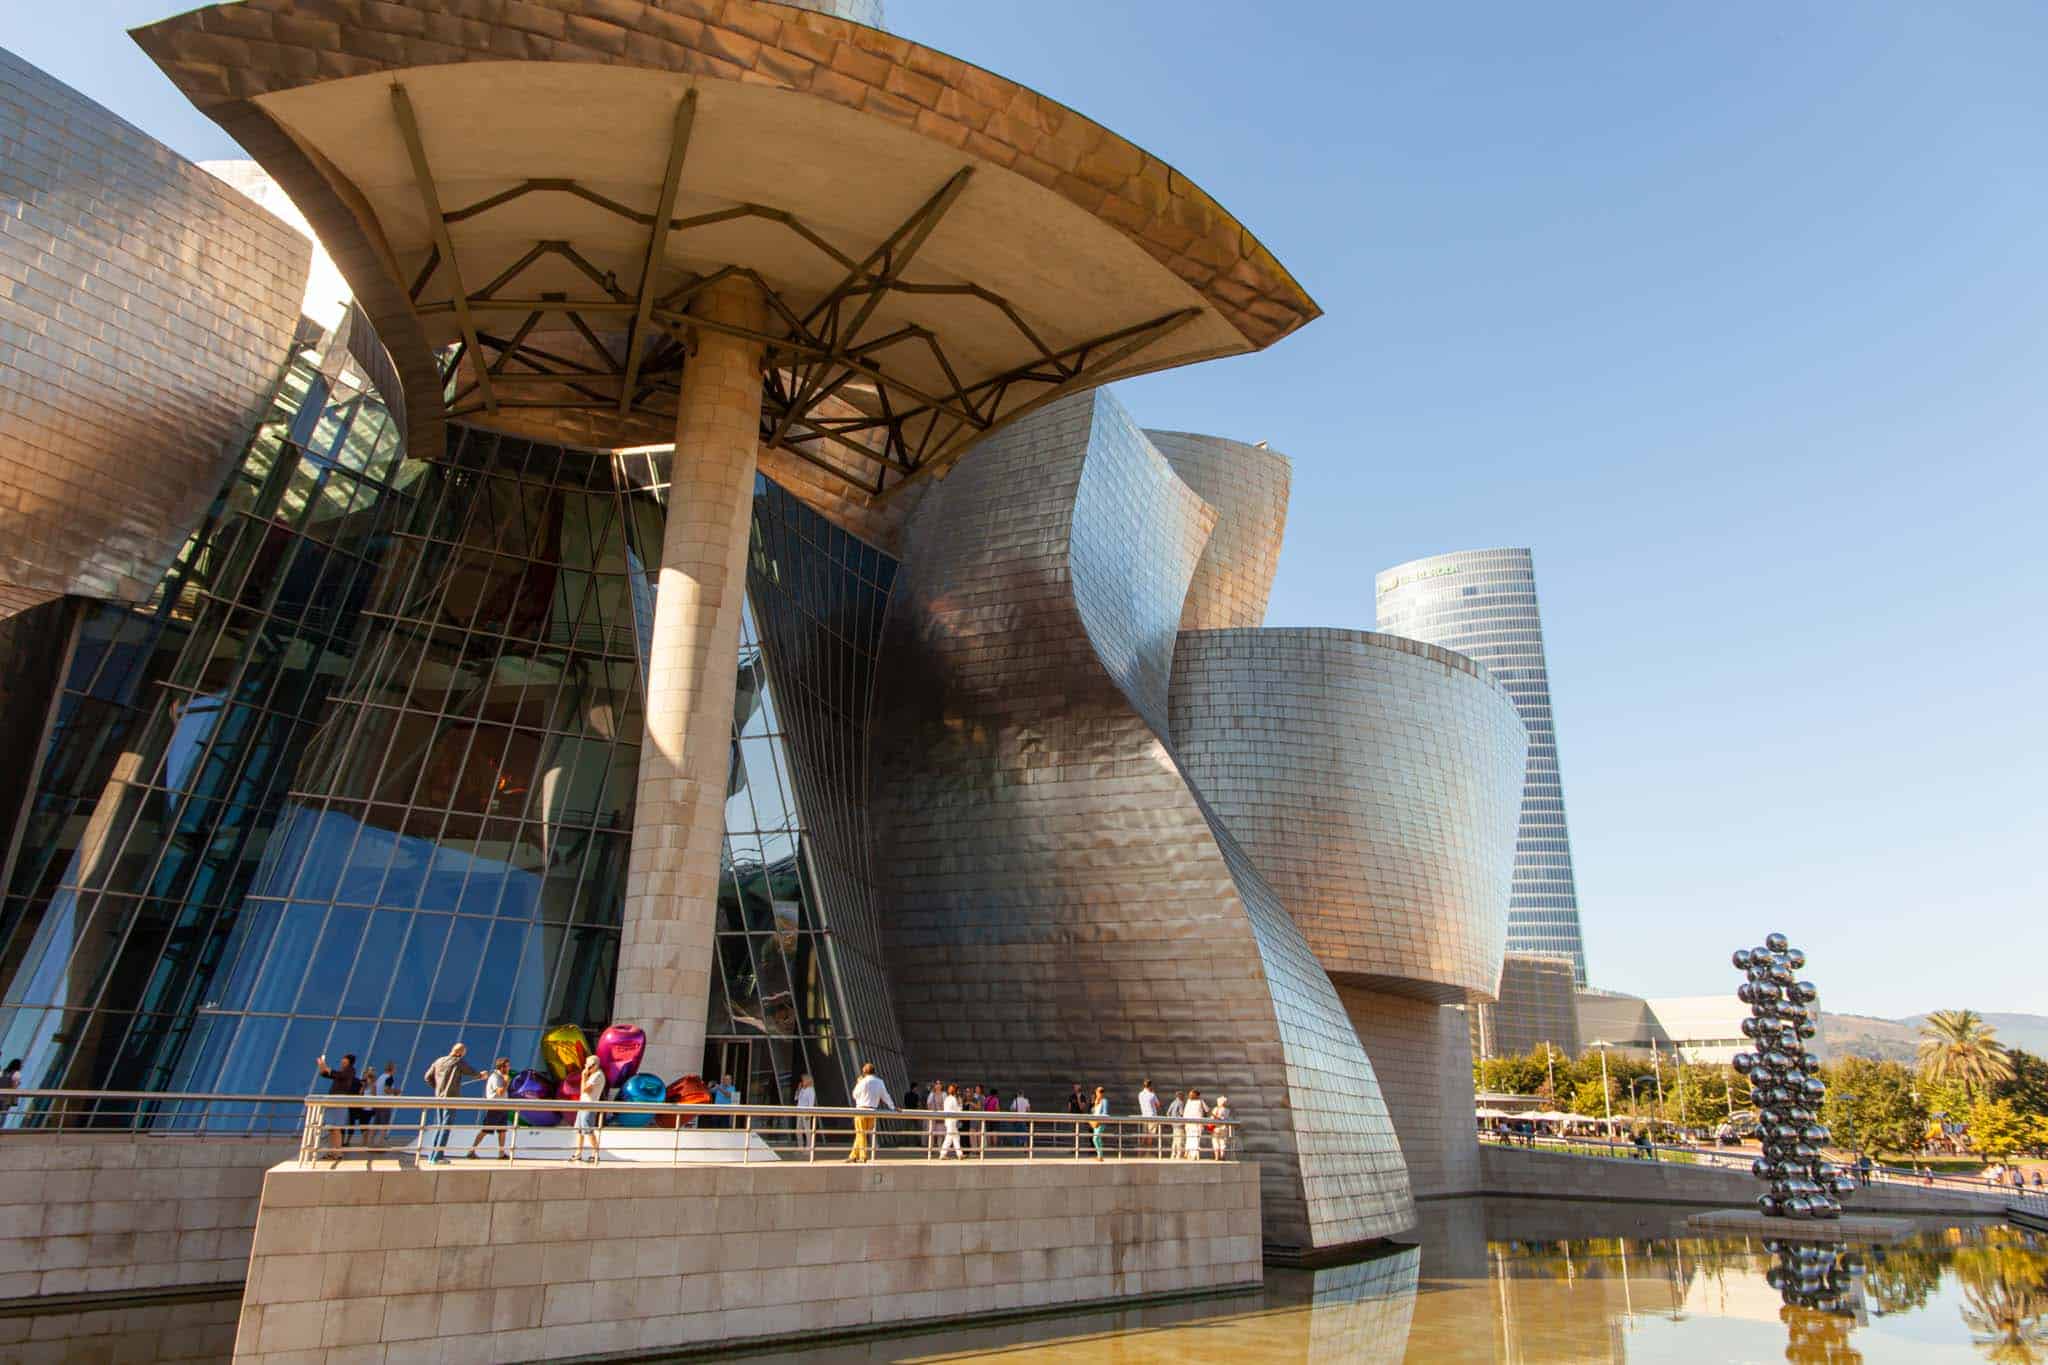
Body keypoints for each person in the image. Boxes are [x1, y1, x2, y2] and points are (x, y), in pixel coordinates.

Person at [420, 1044, 483, 1165]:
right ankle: (438, 1157)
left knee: (440, 1126)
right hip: (451, 1098)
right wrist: (481, 1075)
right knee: (446, 1126)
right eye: (464, 1053)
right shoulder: (457, 1061)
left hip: (439, 1098)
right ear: (460, 1053)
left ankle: (432, 1156)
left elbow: (427, 1077)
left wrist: (437, 1088)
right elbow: (471, 1071)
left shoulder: (439, 1061)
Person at [466, 1058, 513, 1160]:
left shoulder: (501, 1076)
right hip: (495, 1107)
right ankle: (471, 1150)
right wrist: (506, 1082)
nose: (509, 1068)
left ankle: (501, 1153)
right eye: (507, 1066)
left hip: (503, 1107)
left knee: (502, 1131)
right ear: (501, 1067)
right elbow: (500, 1092)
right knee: (486, 1129)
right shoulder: (496, 1077)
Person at [314, 1052, 361, 1154]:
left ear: (349, 1061)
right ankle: (333, 1151)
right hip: (333, 1102)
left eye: (344, 1059)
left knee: (336, 1128)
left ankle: (338, 1152)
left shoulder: (350, 1071)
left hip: (339, 1102)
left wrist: (325, 1067)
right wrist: (322, 1067)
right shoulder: (342, 1071)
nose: (342, 1061)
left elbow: (338, 1075)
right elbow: (327, 1074)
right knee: (331, 1128)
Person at [848, 1062, 894, 1163]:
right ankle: (853, 1155)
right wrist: (893, 1107)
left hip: (861, 1109)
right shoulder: (880, 1082)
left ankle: (863, 1155)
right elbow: (885, 1096)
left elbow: (855, 1095)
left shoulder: (863, 1082)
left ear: (864, 1072)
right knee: (861, 1134)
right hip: (873, 1111)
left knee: (860, 1133)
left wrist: (858, 1083)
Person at [572, 1054, 605, 1164]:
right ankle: (578, 1153)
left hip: (589, 1106)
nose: (586, 1067)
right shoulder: (593, 1075)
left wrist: (583, 1077)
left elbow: (585, 1090)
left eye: (588, 1065)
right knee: (580, 1130)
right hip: (583, 1105)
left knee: (588, 1129)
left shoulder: (598, 1075)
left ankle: (595, 1153)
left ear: (594, 1065)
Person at [939, 1084, 965, 1159]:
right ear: (955, 1091)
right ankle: (943, 1154)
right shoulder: (954, 1099)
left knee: (955, 1137)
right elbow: (958, 1111)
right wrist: (960, 1104)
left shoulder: (947, 1098)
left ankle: (959, 1154)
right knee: (950, 1137)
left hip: (948, 1120)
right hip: (952, 1121)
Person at [796, 1072, 818, 1156]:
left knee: (807, 1131)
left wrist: (809, 1114)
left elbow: (811, 1103)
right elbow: (796, 1098)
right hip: (799, 1111)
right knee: (798, 1130)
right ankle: (800, 1147)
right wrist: (798, 1089)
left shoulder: (811, 1090)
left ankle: (808, 1148)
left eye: (803, 1080)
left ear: (807, 1081)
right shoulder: (802, 1089)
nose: (802, 1081)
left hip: (806, 1112)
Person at [1182, 1089, 1207, 1159]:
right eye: (1189, 1094)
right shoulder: (1188, 1101)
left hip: (1197, 1124)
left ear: (1196, 1095)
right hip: (1189, 1124)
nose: (1190, 1095)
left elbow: (1206, 1110)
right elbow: (1185, 1112)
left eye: (1192, 1094)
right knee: (1189, 1138)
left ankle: (1193, 1155)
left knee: (1195, 1139)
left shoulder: (1201, 1101)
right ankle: (1187, 1153)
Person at [1139, 1080, 1161, 1157]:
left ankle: (1140, 1152)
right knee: (1150, 1136)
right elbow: (1158, 1105)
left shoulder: (1140, 1094)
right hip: (1152, 1116)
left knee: (1144, 1135)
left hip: (1144, 1116)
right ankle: (1148, 1153)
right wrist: (1153, 1093)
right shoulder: (1152, 1095)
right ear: (1150, 1086)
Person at [1066, 1084, 1089, 1156]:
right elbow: (1069, 1107)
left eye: (1076, 1087)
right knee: (1073, 1134)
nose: (1075, 1088)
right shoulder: (1071, 1096)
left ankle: (1080, 1149)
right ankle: (1073, 1149)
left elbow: (1082, 1108)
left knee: (1079, 1133)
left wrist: (1078, 1099)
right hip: (1072, 1117)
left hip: (1080, 1117)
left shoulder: (1082, 1097)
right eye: (1074, 1087)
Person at [926, 1080, 947, 1158]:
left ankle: (939, 1149)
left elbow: (945, 1104)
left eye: (939, 1084)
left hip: (941, 1115)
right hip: (933, 1116)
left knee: (940, 1134)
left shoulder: (944, 1094)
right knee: (931, 1133)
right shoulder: (931, 1094)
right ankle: (930, 1150)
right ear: (934, 1085)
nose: (938, 1085)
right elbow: (928, 1104)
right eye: (936, 1084)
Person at [1088, 1086, 1109, 1160]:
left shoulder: (1104, 1101)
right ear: (1096, 1092)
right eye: (1099, 1091)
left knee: (1096, 1138)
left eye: (1102, 1091)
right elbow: (1094, 1112)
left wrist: (1099, 1120)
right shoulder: (1096, 1101)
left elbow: (1105, 1113)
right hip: (1095, 1122)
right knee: (1097, 1139)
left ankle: (1100, 1155)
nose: (1100, 1093)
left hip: (1101, 1122)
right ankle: (1100, 1156)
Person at [1166, 1090, 1187, 1159]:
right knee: (1180, 1140)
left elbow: (1168, 1113)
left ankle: (1173, 1154)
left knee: (1174, 1140)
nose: (1184, 1097)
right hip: (1180, 1124)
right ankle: (1179, 1155)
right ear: (1180, 1096)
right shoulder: (1180, 1103)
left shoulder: (1173, 1102)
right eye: (1183, 1096)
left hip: (1174, 1124)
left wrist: (1171, 1121)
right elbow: (1181, 1113)